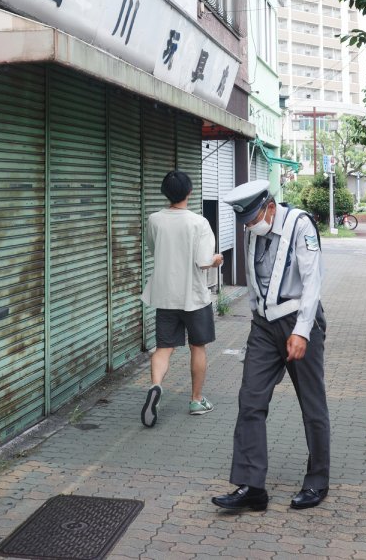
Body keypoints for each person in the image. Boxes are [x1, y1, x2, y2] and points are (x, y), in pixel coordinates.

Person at [211, 180, 330, 513]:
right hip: (263, 326)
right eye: (245, 221)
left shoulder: (300, 225)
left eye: (252, 218)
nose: (249, 226)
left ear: (270, 207)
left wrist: (303, 331)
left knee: (312, 404)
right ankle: (252, 487)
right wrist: (254, 316)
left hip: (298, 322)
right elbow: (254, 276)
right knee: (250, 399)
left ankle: (317, 481)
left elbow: (312, 283)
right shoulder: (253, 229)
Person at [141, 170, 223, 428]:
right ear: (189, 192)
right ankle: (196, 400)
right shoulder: (199, 223)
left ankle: (155, 387)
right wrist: (217, 259)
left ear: (165, 193)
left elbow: (153, 249)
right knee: (197, 347)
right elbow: (203, 262)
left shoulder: (154, 220)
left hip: (165, 295)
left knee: (163, 348)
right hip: (194, 297)